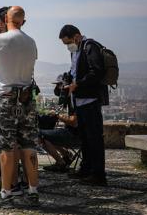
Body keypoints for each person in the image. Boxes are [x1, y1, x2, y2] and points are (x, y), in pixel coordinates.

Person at [0, 6, 40, 207]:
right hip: (26, 99)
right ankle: (33, 191)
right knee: (29, 145)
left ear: (6, 18)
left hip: (5, 98)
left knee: (6, 148)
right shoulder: (31, 42)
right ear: (23, 20)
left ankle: (6, 193)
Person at [59, 24, 108, 186]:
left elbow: (96, 72)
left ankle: (98, 174)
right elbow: (75, 71)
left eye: (68, 43)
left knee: (94, 139)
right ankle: (85, 170)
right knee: (85, 138)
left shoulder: (90, 47)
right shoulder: (77, 51)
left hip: (90, 101)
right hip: (79, 102)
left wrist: (77, 84)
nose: (68, 46)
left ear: (77, 37)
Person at [40, 82, 79, 172]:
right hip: (73, 132)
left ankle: (61, 163)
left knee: (40, 135)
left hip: (74, 134)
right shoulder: (72, 98)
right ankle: (66, 155)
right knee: (49, 134)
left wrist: (58, 115)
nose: (59, 90)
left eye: (60, 87)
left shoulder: (74, 99)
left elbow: (73, 122)